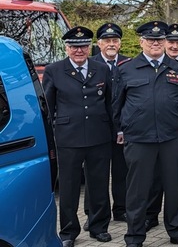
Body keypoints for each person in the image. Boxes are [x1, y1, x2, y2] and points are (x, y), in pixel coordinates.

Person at [113, 21, 178, 247]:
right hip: (139, 139)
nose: (155, 44)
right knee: (138, 191)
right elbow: (116, 104)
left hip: (171, 138)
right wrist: (120, 130)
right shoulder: (126, 69)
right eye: (151, 40)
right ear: (141, 42)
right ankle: (135, 236)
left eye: (159, 40)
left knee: (175, 188)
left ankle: (177, 232)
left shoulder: (177, 68)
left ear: (165, 43)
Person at [45, 26, 114, 247]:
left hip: (99, 135)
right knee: (69, 187)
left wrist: (116, 131)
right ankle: (68, 232)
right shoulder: (54, 70)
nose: (79, 50)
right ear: (67, 48)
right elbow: (48, 107)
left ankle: (98, 227)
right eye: (74, 47)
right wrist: (50, 139)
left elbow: (110, 103)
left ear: (89, 47)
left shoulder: (101, 68)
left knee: (99, 185)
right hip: (68, 138)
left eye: (83, 46)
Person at [145, 24, 178, 229]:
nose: (174, 46)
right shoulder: (156, 63)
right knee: (155, 173)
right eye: (171, 42)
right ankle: (151, 213)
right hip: (157, 128)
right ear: (165, 43)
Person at [91, 22, 128, 223]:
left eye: (115, 40)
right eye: (107, 41)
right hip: (99, 128)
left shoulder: (129, 64)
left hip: (121, 127)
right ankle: (94, 213)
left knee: (121, 171)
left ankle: (121, 209)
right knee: (97, 174)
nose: (111, 44)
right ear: (99, 43)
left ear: (120, 44)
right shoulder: (90, 63)